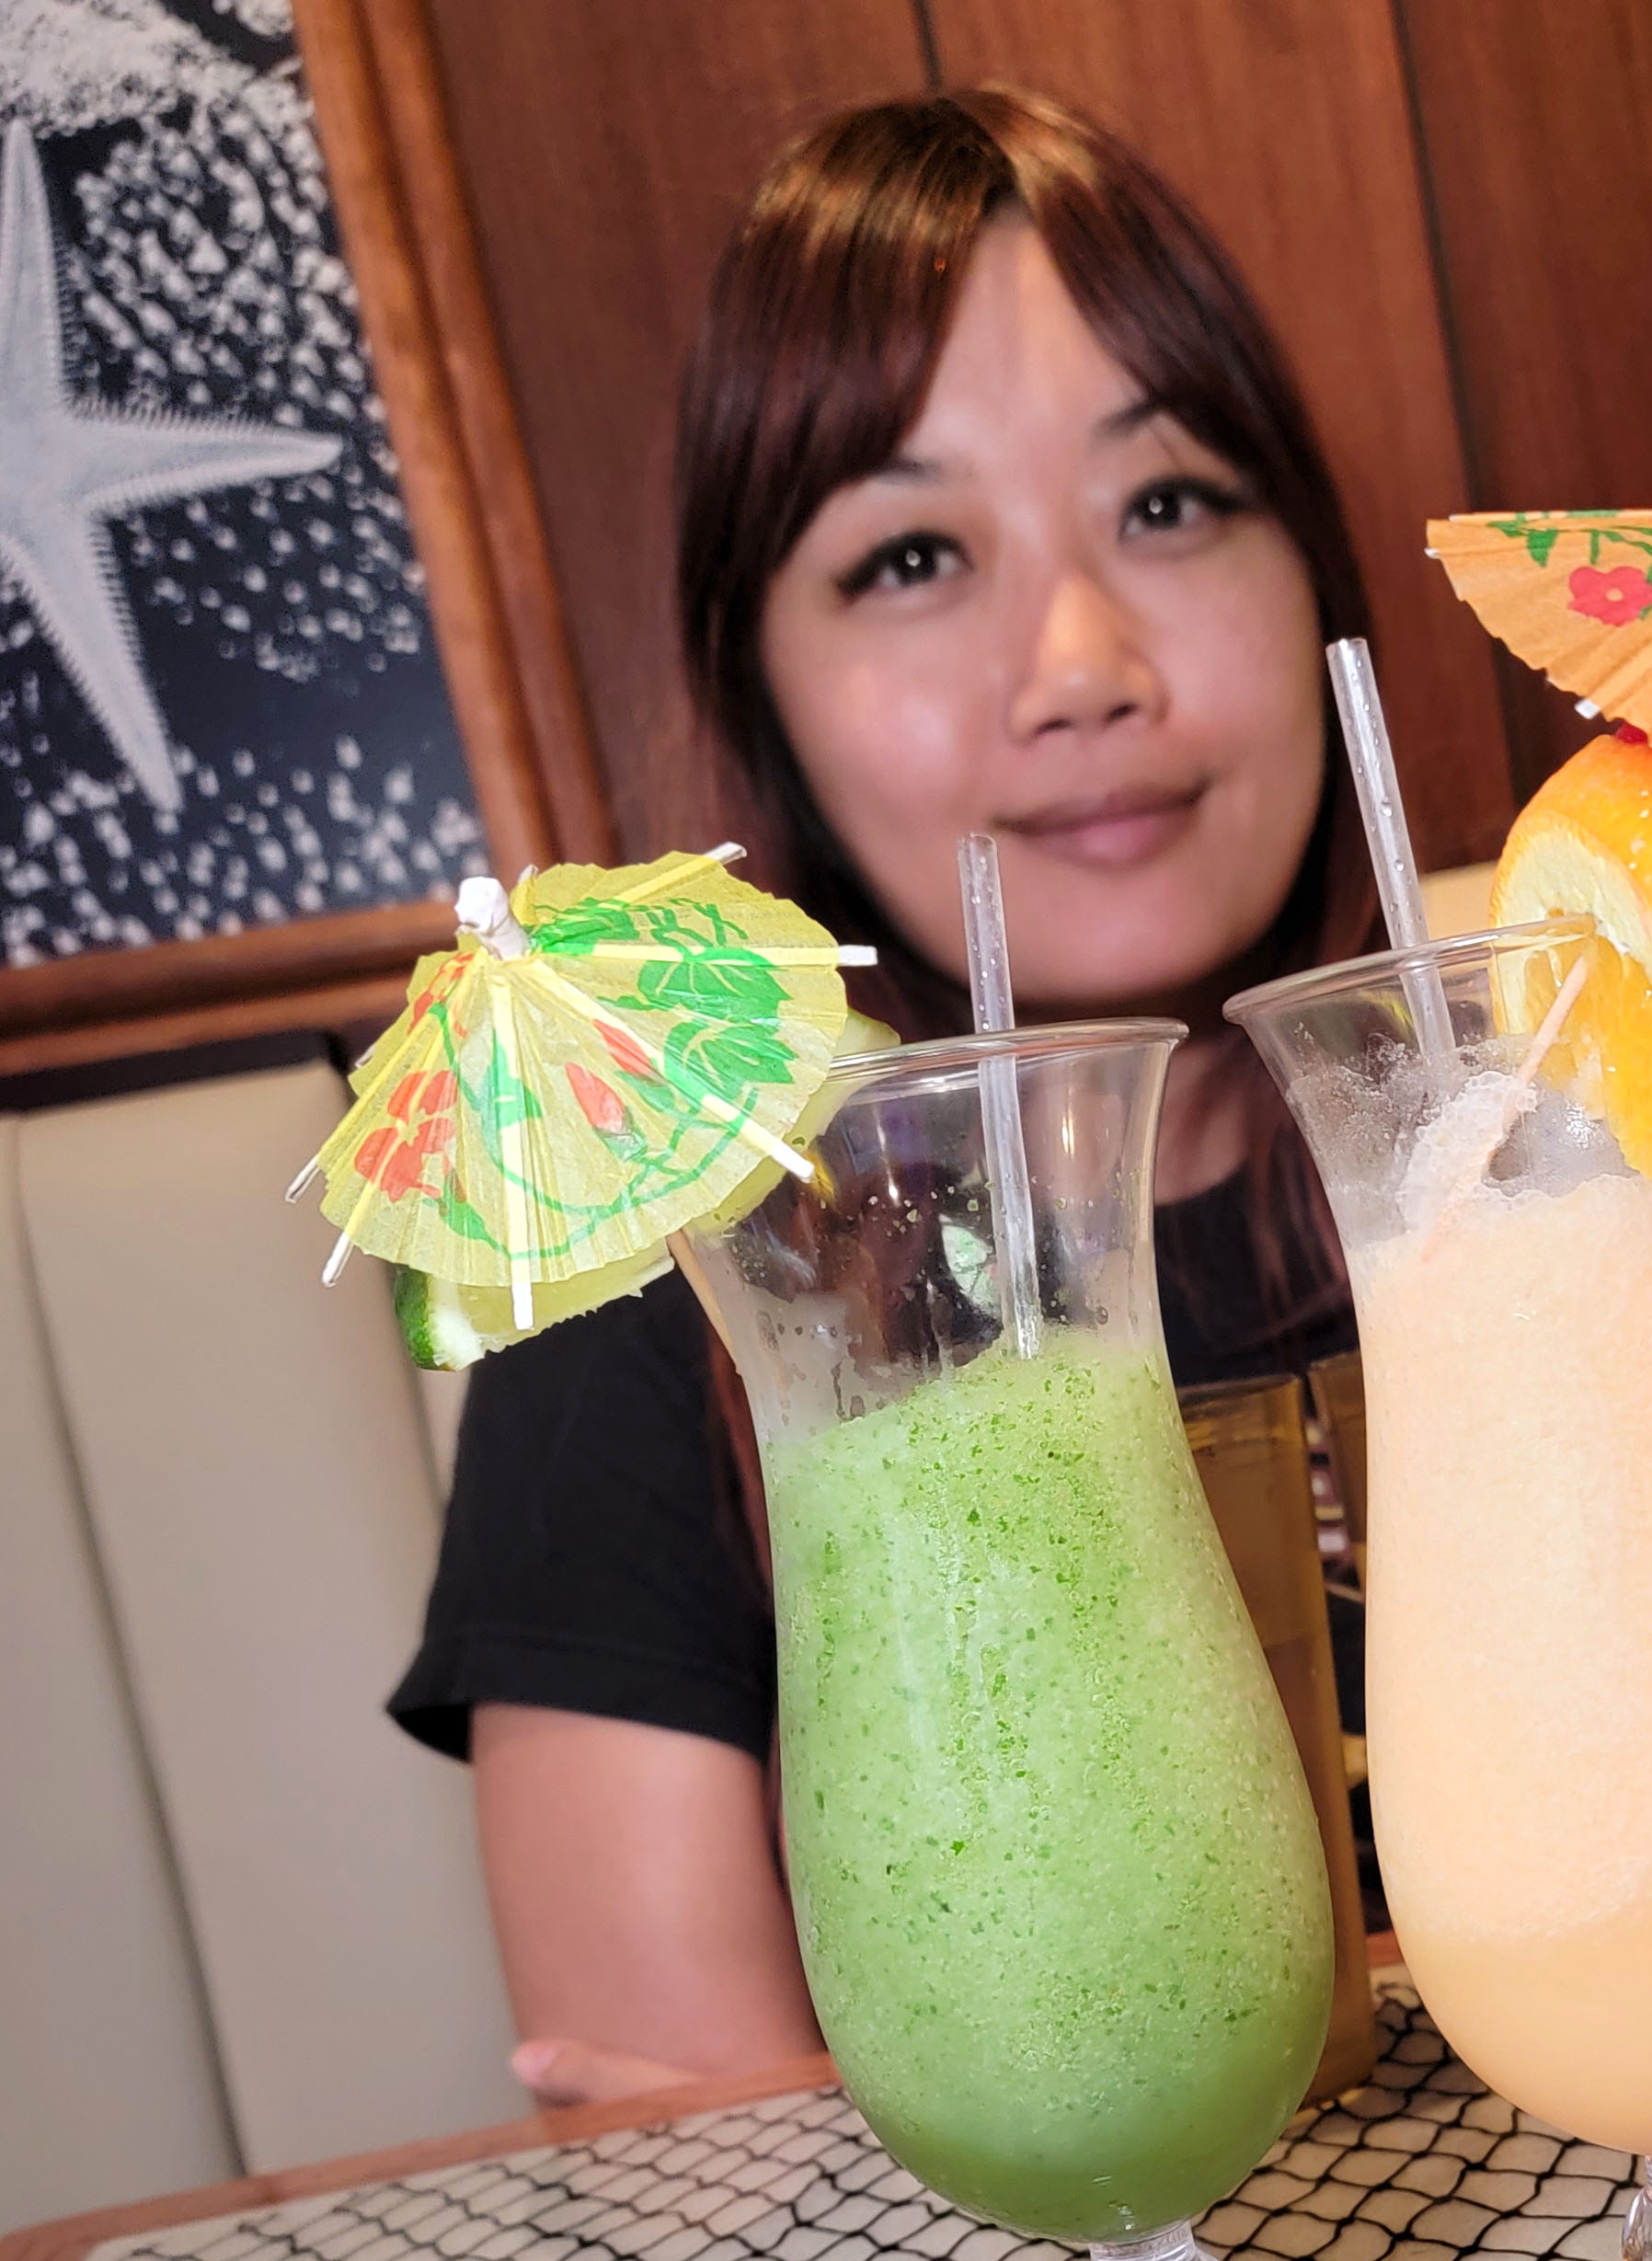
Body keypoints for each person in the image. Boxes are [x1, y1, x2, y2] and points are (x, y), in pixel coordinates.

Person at [391, 88, 1380, 2107]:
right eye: (914, 554)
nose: (1082, 661)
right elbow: (707, 2181)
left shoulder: (1546, 1160)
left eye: (1171, 503)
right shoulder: (660, 1308)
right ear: (760, 689)